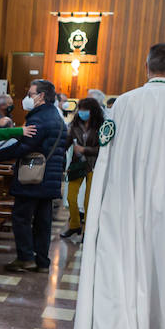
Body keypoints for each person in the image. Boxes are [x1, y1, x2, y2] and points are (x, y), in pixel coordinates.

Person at [72, 43, 165, 329]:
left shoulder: (124, 103)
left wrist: (103, 199)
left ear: (145, 66)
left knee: (119, 261)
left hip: (127, 198)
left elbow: (107, 154)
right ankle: (162, 328)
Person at [0, 79, 64, 273]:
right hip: (50, 176)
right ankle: (42, 261)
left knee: (21, 218)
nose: (27, 98)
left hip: (33, 177)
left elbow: (25, 147)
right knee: (43, 222)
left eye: (30, 94)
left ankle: (26, 257)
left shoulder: (39, 118)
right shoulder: (57, 116)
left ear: (41, 96)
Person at [62, 96, 103, 241]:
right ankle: (74, 225)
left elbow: (102, 149)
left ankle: (87, 230)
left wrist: (85, 150)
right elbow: (65, 145)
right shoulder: (74, 126)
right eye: (81, 109)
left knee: (88, 201)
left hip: (93, 165)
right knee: (71, 197)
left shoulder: (100, 126)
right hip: (76, 165)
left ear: (93, 111)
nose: (82, 112)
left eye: (86, 110)